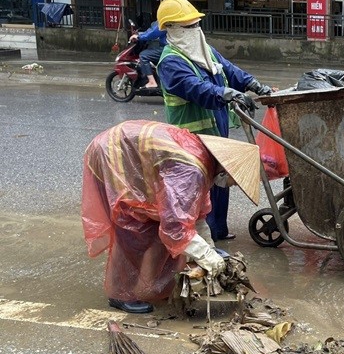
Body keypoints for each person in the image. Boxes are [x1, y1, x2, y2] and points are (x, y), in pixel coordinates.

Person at [81, 120, 262, 314]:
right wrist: (206, 256)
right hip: (114, 153)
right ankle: (121, 294)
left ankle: (156, 286)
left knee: (157, 229)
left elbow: (195, 218)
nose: (232, 185)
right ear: (226, 170)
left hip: (129, 150)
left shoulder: (204, 164)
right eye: (234, 181)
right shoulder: (192, 171)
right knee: (133, 229)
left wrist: (208, 249)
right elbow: (175, 228)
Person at [155, 0, 273, 241]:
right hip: (190, 139)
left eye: (197, 24)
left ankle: (219, 231)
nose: (195, 30)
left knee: (219, 182)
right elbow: (195, 88)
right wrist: (227, 93)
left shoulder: (204, 51)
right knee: (200, 188)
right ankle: (201, 238)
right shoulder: (171, 62)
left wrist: (254, 84)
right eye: (188, 27)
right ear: (171, 30)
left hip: (216, 133)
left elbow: (228, 69)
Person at [130, 0, 174, 88]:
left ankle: (152, 81)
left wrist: (140, 36)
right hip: (172, 45)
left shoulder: (167, 16)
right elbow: (154, 28)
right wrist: (142, 34)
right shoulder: (174, 13)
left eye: (161, 1)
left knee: (144, 55)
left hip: (168, 48)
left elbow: (155, 31)